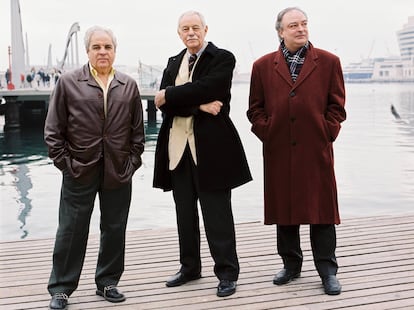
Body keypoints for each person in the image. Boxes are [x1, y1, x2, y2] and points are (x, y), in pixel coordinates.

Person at [247, 7, 346, 295]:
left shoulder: (328, 62)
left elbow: (337, 106)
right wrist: (266, 131)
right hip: (278, 148)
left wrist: (327, 131)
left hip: (316, 148)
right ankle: (291, 265)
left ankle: (328, 270)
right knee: (285, 211)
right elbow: (255, 108)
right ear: (280, 31)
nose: (301, 29)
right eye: (293, 25)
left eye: (304, 24)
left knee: (322, 211)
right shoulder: (263, 66)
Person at [44, 25, 145, 309]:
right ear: (88, 51)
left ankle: (108, 282)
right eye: (97, 47)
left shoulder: (128, 85)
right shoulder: (68, 82)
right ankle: (61, 288)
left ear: (114, 51)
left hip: (118, 170)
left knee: (114, 228)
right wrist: (67, 165)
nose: (103, 52)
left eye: (108, 47)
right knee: (71, 229)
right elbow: (53, 131)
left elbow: (138, 133)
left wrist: (132, 163)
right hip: (79, 169)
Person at [153, 10, 252, 297]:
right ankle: (189, 268)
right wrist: (198, 106)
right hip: (177, 150)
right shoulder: (173, 62)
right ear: (179, 33)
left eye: (196, 27)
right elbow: (164, 106)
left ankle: (227, 273)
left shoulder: (222, 58)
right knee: (184, 213)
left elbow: (211, 88)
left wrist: (170, 93)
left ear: (206, 29)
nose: (191, 33)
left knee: (217, 213)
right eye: (185, 28)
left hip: (212, 150)